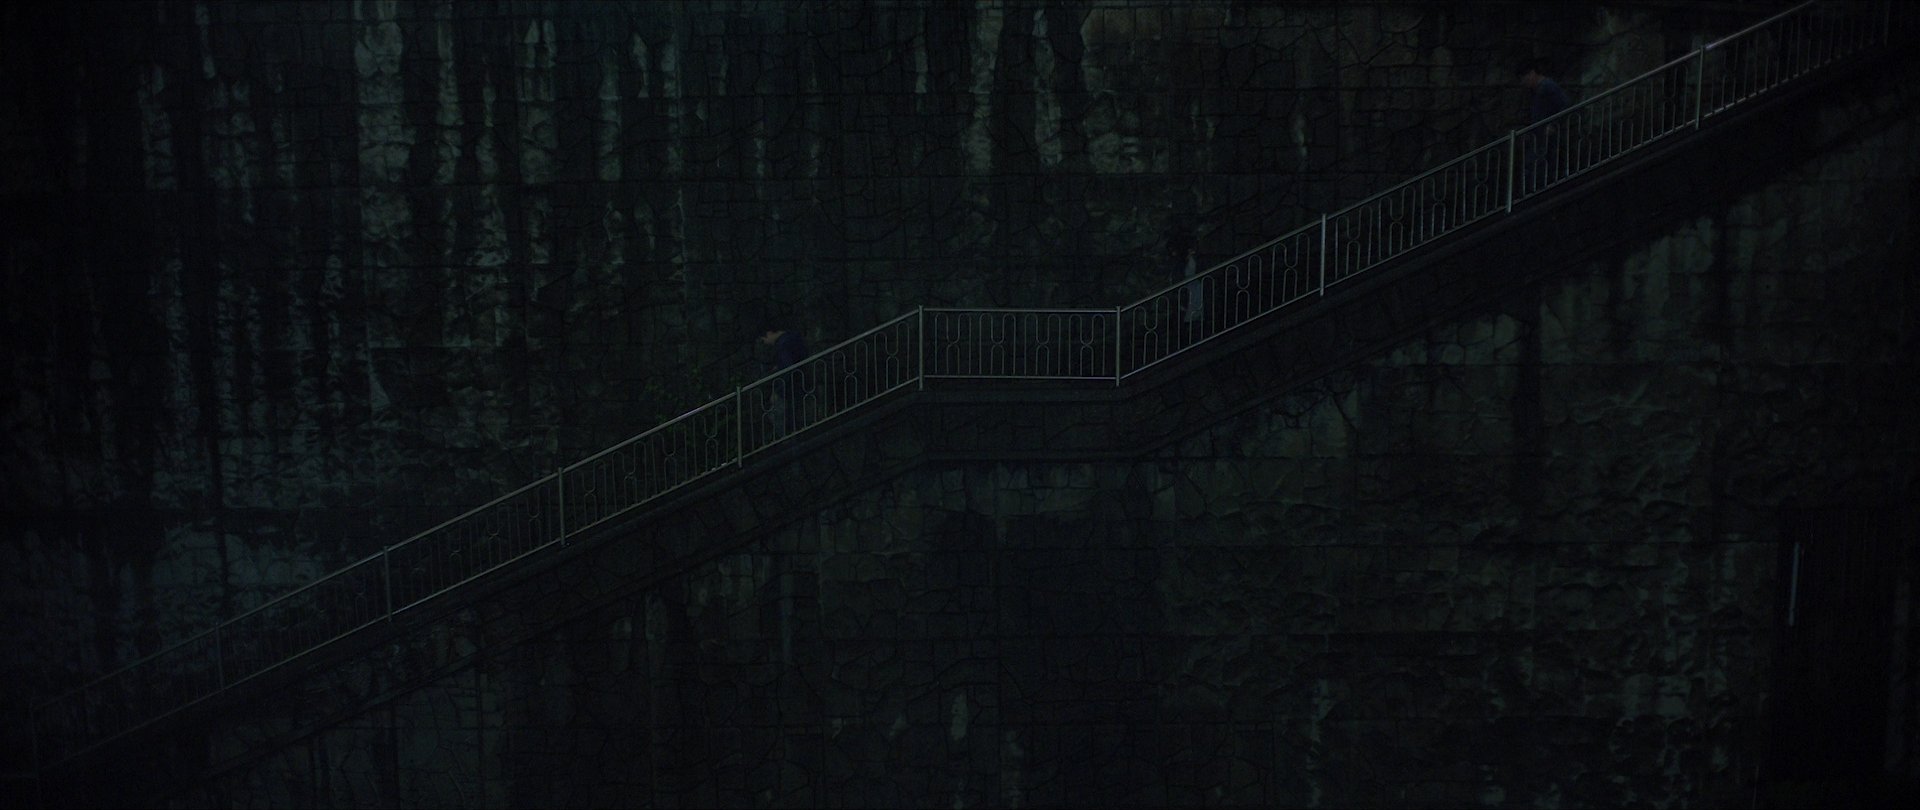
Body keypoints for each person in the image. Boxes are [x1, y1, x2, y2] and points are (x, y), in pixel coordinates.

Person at [1519, 60, 1570, 191]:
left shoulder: (1548, 86)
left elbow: (1564, 105)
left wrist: (1553, 124)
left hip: (1546, 135)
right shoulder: (1538, 90)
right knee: (1535, 165)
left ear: (1532, 73)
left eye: (1525, 78)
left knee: (1539, 165)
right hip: (1539, 135)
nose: (1525, 82)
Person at [758, 323, 810, 438]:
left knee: (781, 415)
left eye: (764, 339)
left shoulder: (783, 345)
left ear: (769, 333)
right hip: (802, 382)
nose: (766, 343)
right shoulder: (794, 337)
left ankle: (786, 439)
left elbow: (788, 368)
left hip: (791, 387)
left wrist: (778, 391)